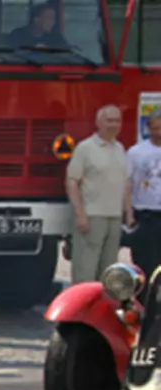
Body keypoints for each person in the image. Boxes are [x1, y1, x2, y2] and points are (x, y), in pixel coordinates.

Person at [65, 104, 131, 284]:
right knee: (86, 269)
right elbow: (72, 181)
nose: (114, 125)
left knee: (108, 271)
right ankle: (82, 310)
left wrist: (128, 213)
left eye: (117, 121)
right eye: (109, 120)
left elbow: (124, 182)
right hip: (92, 216)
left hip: (114, 217)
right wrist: (80, 215)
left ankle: (102, 309)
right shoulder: (85, 148)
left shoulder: (120, 148)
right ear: (98, 122)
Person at [126, 110, 161, 286]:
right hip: (146, 215)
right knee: (145, 264)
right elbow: (128, 183)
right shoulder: (136, 152)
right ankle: (144, 304)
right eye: (155, 127)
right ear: (149, 128)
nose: (159, 132)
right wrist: (129, 214)